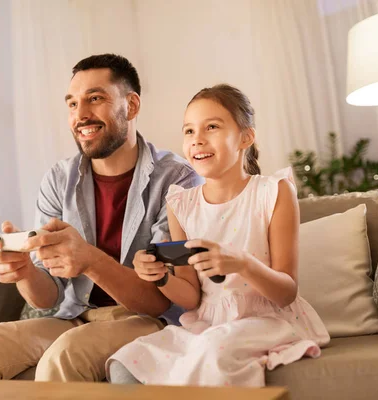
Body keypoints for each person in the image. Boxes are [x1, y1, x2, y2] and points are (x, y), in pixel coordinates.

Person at [0, 54, 202, 399]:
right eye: (72, 103)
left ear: (131, 106)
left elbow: (158, 302)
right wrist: (24, 270)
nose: (81, 114)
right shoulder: (58, 180)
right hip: (73, 315)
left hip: (148, 320)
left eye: (95, 98)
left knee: (65, 354)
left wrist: (90, 259)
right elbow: (48, 297)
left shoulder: (178, 180)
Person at [107, 84, 330, 387]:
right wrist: (161, 278)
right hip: (208, 324)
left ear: (245, 137)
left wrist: (244, 264)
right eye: (189, 131)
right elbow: (190, 297)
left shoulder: (273, 192)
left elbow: (286, 292)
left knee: (213, 352)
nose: (197, 139)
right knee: (128, 362)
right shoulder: (180, 205)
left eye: (211, 127)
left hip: (268, 320)